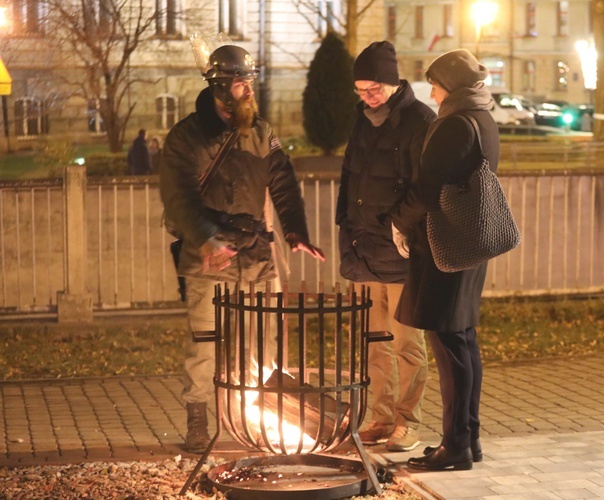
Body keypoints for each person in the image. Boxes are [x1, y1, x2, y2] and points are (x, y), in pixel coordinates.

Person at [159, 44, 325, 453]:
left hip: (256, 256)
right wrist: (207, 239)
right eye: (239, 82)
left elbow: (282, 181)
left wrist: (295, 232)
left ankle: (257, 416)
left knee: (261, 344)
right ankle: (198, 419)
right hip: (208, 258)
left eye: (250, 80)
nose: (248, 89)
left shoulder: (262, 132)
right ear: (219, 88)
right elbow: (177, 196)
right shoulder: (186, 137)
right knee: (204, 343)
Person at [389, 49, 498, 471]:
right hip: (469, 245)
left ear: (450, 84)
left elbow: (429, 188)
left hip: (445, 248)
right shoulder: (483, 117)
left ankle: (455, 446)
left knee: (450, 347)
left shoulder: (454, 123)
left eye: (435, 83)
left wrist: (397, 221)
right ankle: (467, 439)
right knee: (463, 343)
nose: (431, 91)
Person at [336, 41, 435, 452]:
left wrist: (400, 224)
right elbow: (350, 176)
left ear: (392, 83)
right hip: (364, 251)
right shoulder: (363, 120)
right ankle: (380, 416)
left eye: (373, 88)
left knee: (407, 344)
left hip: (401, 254)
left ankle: (407, 422)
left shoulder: (419, 121)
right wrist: (345, 225)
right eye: (360, 90)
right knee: (374, 343)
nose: (367, 97)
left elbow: (425, 186)